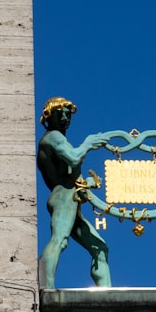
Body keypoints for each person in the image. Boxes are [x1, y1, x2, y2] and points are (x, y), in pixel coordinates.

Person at [37, 97, 111, 288]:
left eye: (68, 113)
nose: (65, 117)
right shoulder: (53, 137)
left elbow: (69, 172)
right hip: (63, 196)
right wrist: (88, 143)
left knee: (99, 249)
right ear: (49, 116)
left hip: (70, 196)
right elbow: (73, 158)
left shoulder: (59, 138)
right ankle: (46, 289)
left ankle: (107, 294)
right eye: (59, 113)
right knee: (60, 240)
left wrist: (86, 183)